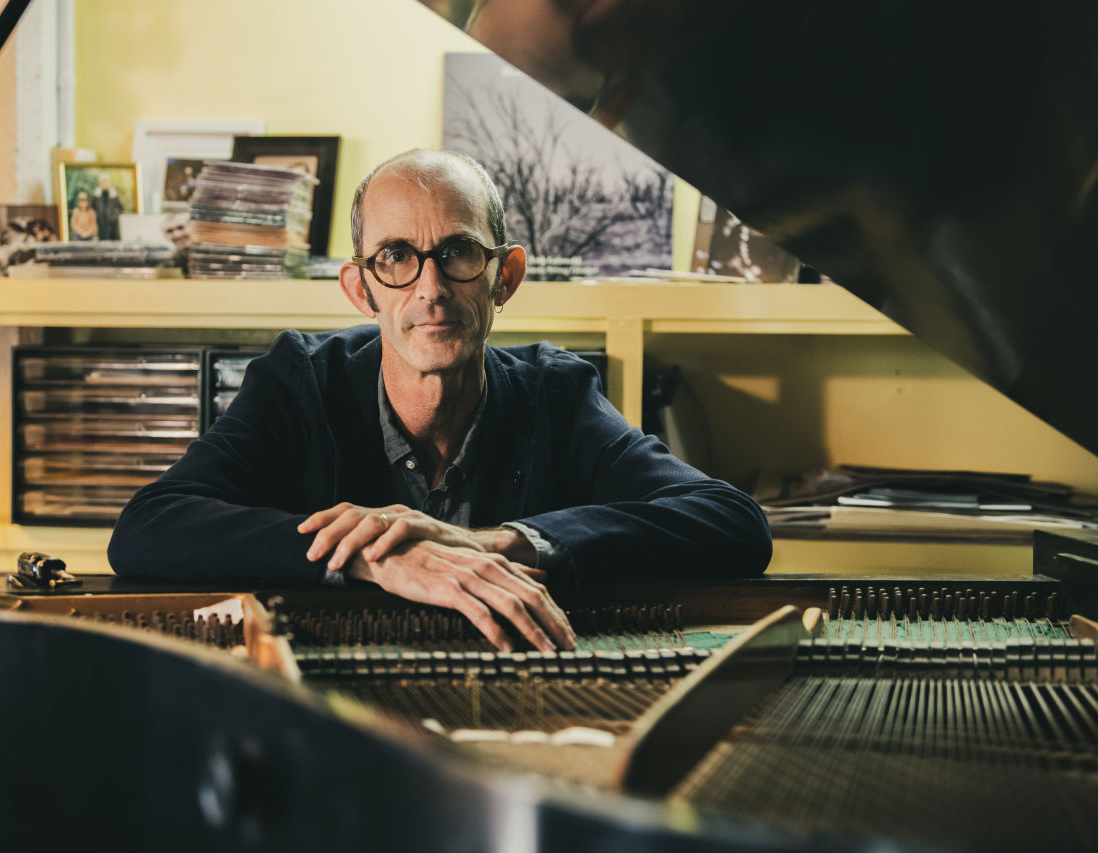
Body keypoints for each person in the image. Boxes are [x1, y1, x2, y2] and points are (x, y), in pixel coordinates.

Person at [108, 149, 771, 652]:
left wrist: (499, 545)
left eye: (457, 252)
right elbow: (149, 526)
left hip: (523, 700)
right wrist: (379, 554)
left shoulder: (556, 394)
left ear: (504, 277)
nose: (429, 288)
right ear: (360, 288)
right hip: (332, 705)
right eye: (395, 256)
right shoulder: (297, 381)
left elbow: (733, 521)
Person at [92, 172, 124, 240]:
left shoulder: (114, 195)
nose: (104, 183)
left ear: (109, 182)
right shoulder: (96, 196)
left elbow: (120, 209)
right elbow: (93, 209)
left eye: (106, 181)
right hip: (101, 226)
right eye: (102, 181)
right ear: (100, 182)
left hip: (113, 227)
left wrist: (114, 217)